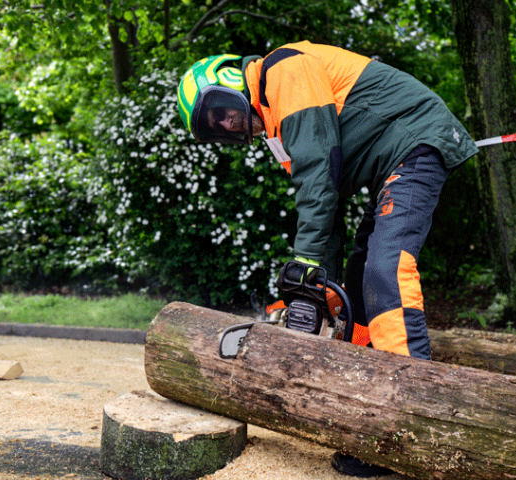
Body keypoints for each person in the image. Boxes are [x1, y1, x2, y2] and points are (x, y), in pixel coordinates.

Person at [177, 41, 478, 477]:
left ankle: (413, 423)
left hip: (416, 142)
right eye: (218, 126)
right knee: (357, 279)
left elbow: (319, 177)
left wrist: (306, 264)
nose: (227, 122)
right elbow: (327, 207)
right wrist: (318, 291)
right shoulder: (278, 128)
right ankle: (371, 409)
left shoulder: (283, 71)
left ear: (225, 81)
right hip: (389, 163)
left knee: (386, 270)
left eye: (221, 112)